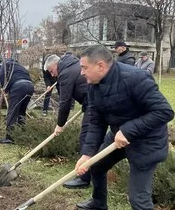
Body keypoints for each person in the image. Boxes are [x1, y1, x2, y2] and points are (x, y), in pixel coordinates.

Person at [75, 45, 174, 210]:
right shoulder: (94, 86)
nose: (81, 73)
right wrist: (88, 154)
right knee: (96, 165)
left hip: (147, 142)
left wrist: (128, 130)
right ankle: (98, 203)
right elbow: (96, 122)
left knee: (138, 199)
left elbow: (165, 111)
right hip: (117, 137)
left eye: (84, 67)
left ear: (100, 65)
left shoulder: (136, 78)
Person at [44, 52, 91, 188]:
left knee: (86, 138)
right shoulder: (72, 65)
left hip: (94, 104)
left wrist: (60, 125)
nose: (52, 75)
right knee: (91, 138)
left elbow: (64, 102)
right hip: (91, 101)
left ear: (55, 65)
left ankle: (84, 178)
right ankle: (92, 173)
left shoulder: (65, 73)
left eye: (51, 71)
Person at [0, 58, 34, 144]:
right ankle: (22, 133)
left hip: (18, 87)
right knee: (22, 111)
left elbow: (2, 76)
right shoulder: (20, 67)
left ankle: (10, 137)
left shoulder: (5, 65)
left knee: (12, 111)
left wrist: (4, 89)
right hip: (30, 86)